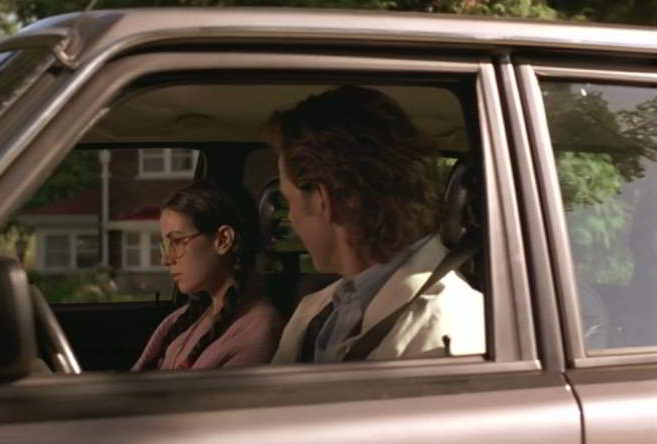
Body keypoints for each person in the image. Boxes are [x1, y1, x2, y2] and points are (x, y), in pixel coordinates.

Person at [268, 86, 485, 364]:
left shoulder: (451, 329)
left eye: (289, 201)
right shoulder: (318, 310)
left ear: (323, 200)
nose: (291, 218)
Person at [132, 181, 285, 370]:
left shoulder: (258, 330)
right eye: (166, 245)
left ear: (223, 240)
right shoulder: (179, 320)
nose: (166, 259)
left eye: (177, 241)